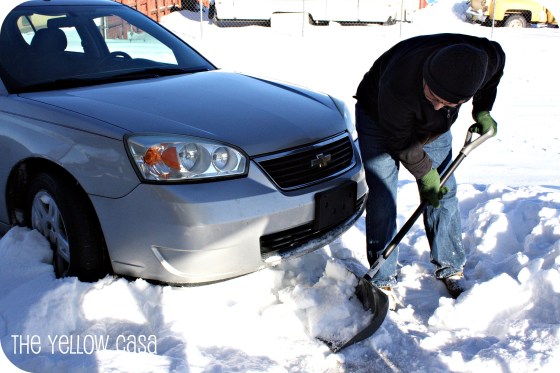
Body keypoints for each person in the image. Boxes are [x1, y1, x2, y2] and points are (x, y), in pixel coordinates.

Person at [354, 33, 506, 310]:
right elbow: (400, 139)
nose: (438, 105)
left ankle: (451, 266)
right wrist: (425, 173)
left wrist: (482, 110)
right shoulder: (399, 81)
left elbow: (494, 75)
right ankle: (382, 276)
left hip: (434, 130)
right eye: (433, 96)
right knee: (383, 195)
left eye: (448, 103)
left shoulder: (487, 58)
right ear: (426, 77)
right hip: (379, 118)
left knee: (444, 192)